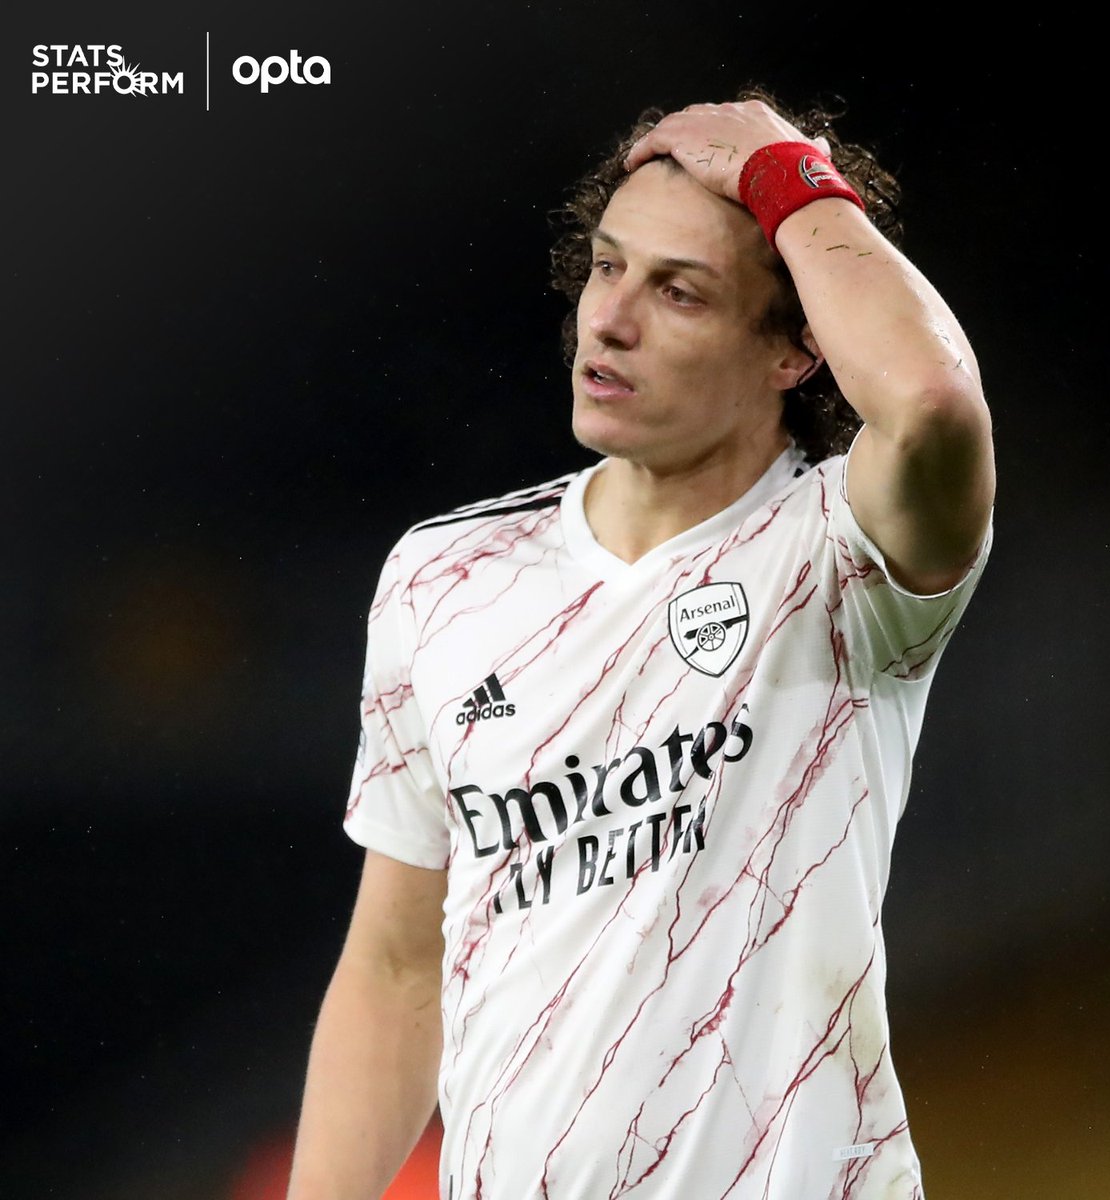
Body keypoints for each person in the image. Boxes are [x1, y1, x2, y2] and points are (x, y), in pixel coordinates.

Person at [287, 89, 995, 1200]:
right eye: (607, 268)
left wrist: (785, 173)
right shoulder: (443, 580)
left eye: (679, 292)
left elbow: (934, 404)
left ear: (796, 350)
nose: (609, 320)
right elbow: (396, 967)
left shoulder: (839, 553)